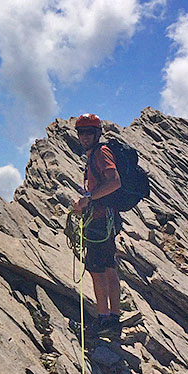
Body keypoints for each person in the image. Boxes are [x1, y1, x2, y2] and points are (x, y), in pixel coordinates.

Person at [71, 114, 123, 336]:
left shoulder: (101, 153)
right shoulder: (95, 155)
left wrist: (88, 199)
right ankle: (113, 318)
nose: (84, 137)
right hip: (106, 218)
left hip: (100, 221)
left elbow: (114, 181)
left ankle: (103, 320)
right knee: (109, 268)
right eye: (81, 133)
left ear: (97, 133)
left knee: (97, 270)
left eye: (89, 133)